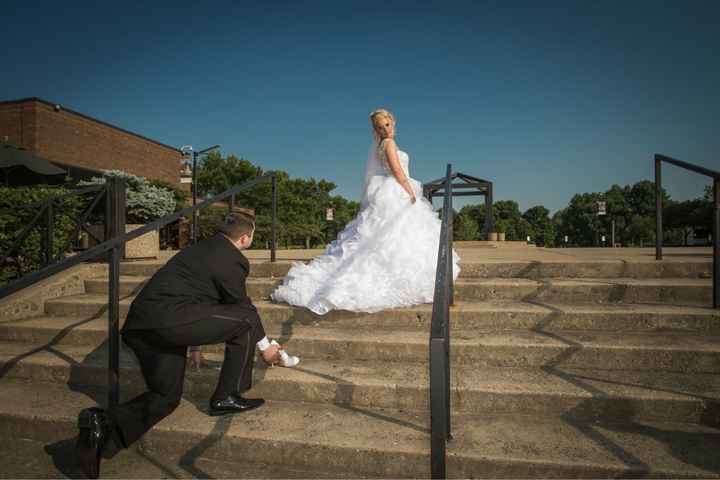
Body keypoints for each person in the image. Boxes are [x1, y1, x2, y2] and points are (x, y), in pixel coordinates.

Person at [75, 212, 282, 479]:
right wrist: (266, 348)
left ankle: (100, 425)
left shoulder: (199, 249)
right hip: (169, 322)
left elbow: (198, 297)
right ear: (245, 238)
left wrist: (193, 344)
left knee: (165, 398)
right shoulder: (233, 259)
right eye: (252, 235)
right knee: (245, 320)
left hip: (142, 328)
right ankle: (226, 396)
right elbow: (241, 308)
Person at [271, 108, 460, 314]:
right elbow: (397, 170)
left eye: (386, 125)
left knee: (392, 236)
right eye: (380, 127)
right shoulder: (389, 143)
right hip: (397, 190)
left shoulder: (380, 144)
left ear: (393, 122)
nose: (385, 129)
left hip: (388, 190)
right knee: (397, 235)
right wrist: (410, 192)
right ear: (376, 129)